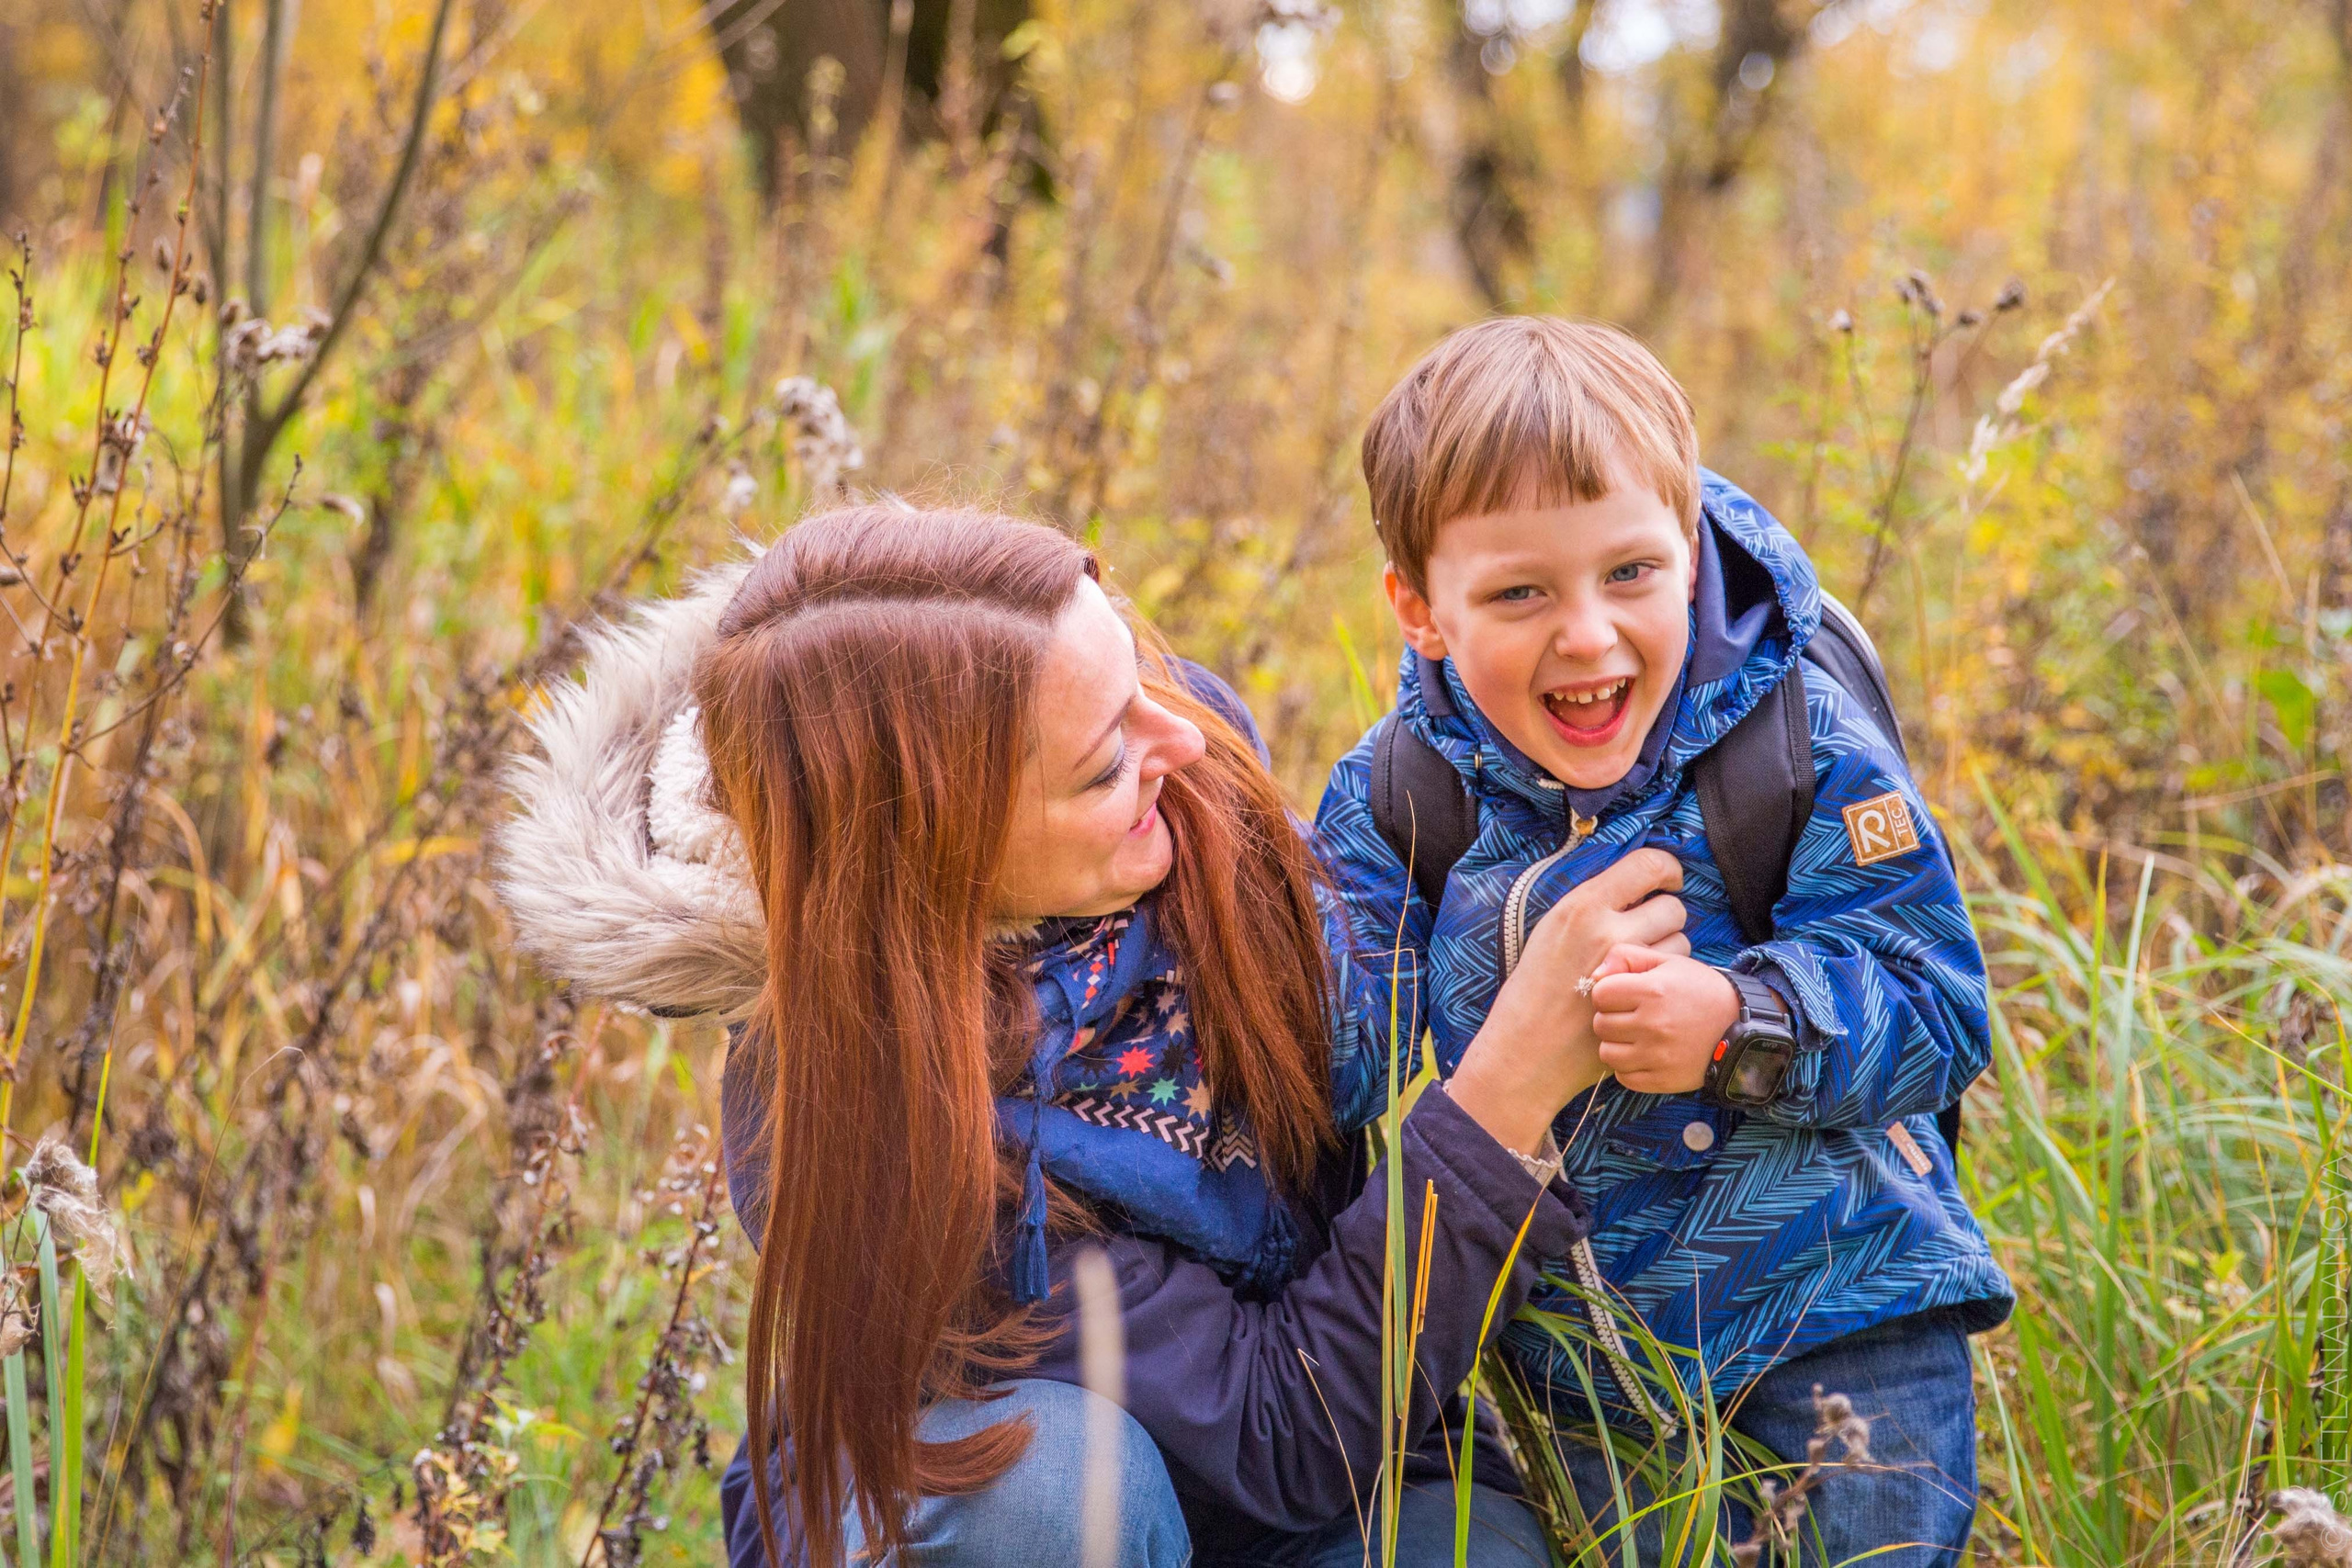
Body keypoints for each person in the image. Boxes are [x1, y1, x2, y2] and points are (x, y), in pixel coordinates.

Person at [495, 503, 1692, 1567]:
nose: (1183, 743)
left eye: (1139, 686)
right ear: (947, 869)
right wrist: (1504, 1094)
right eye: (1103, 761)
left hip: (1312, 1472)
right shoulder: (887, 1132)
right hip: (1049, 1489)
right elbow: (1277, 1427)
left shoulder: (1174, 771)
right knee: (1053, 1495)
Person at [1314, 317, 2016, 1565]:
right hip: (1590, 1377)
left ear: (1689, 549)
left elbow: (1940, 1007)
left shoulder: (1788, 741)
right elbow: (1327, 1054)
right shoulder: (1402, 797)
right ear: (1419, 610)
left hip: (1846, 1323)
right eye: (1521, 592)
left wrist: (1740, 1023)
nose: (1587, 634)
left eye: (1632, 573)